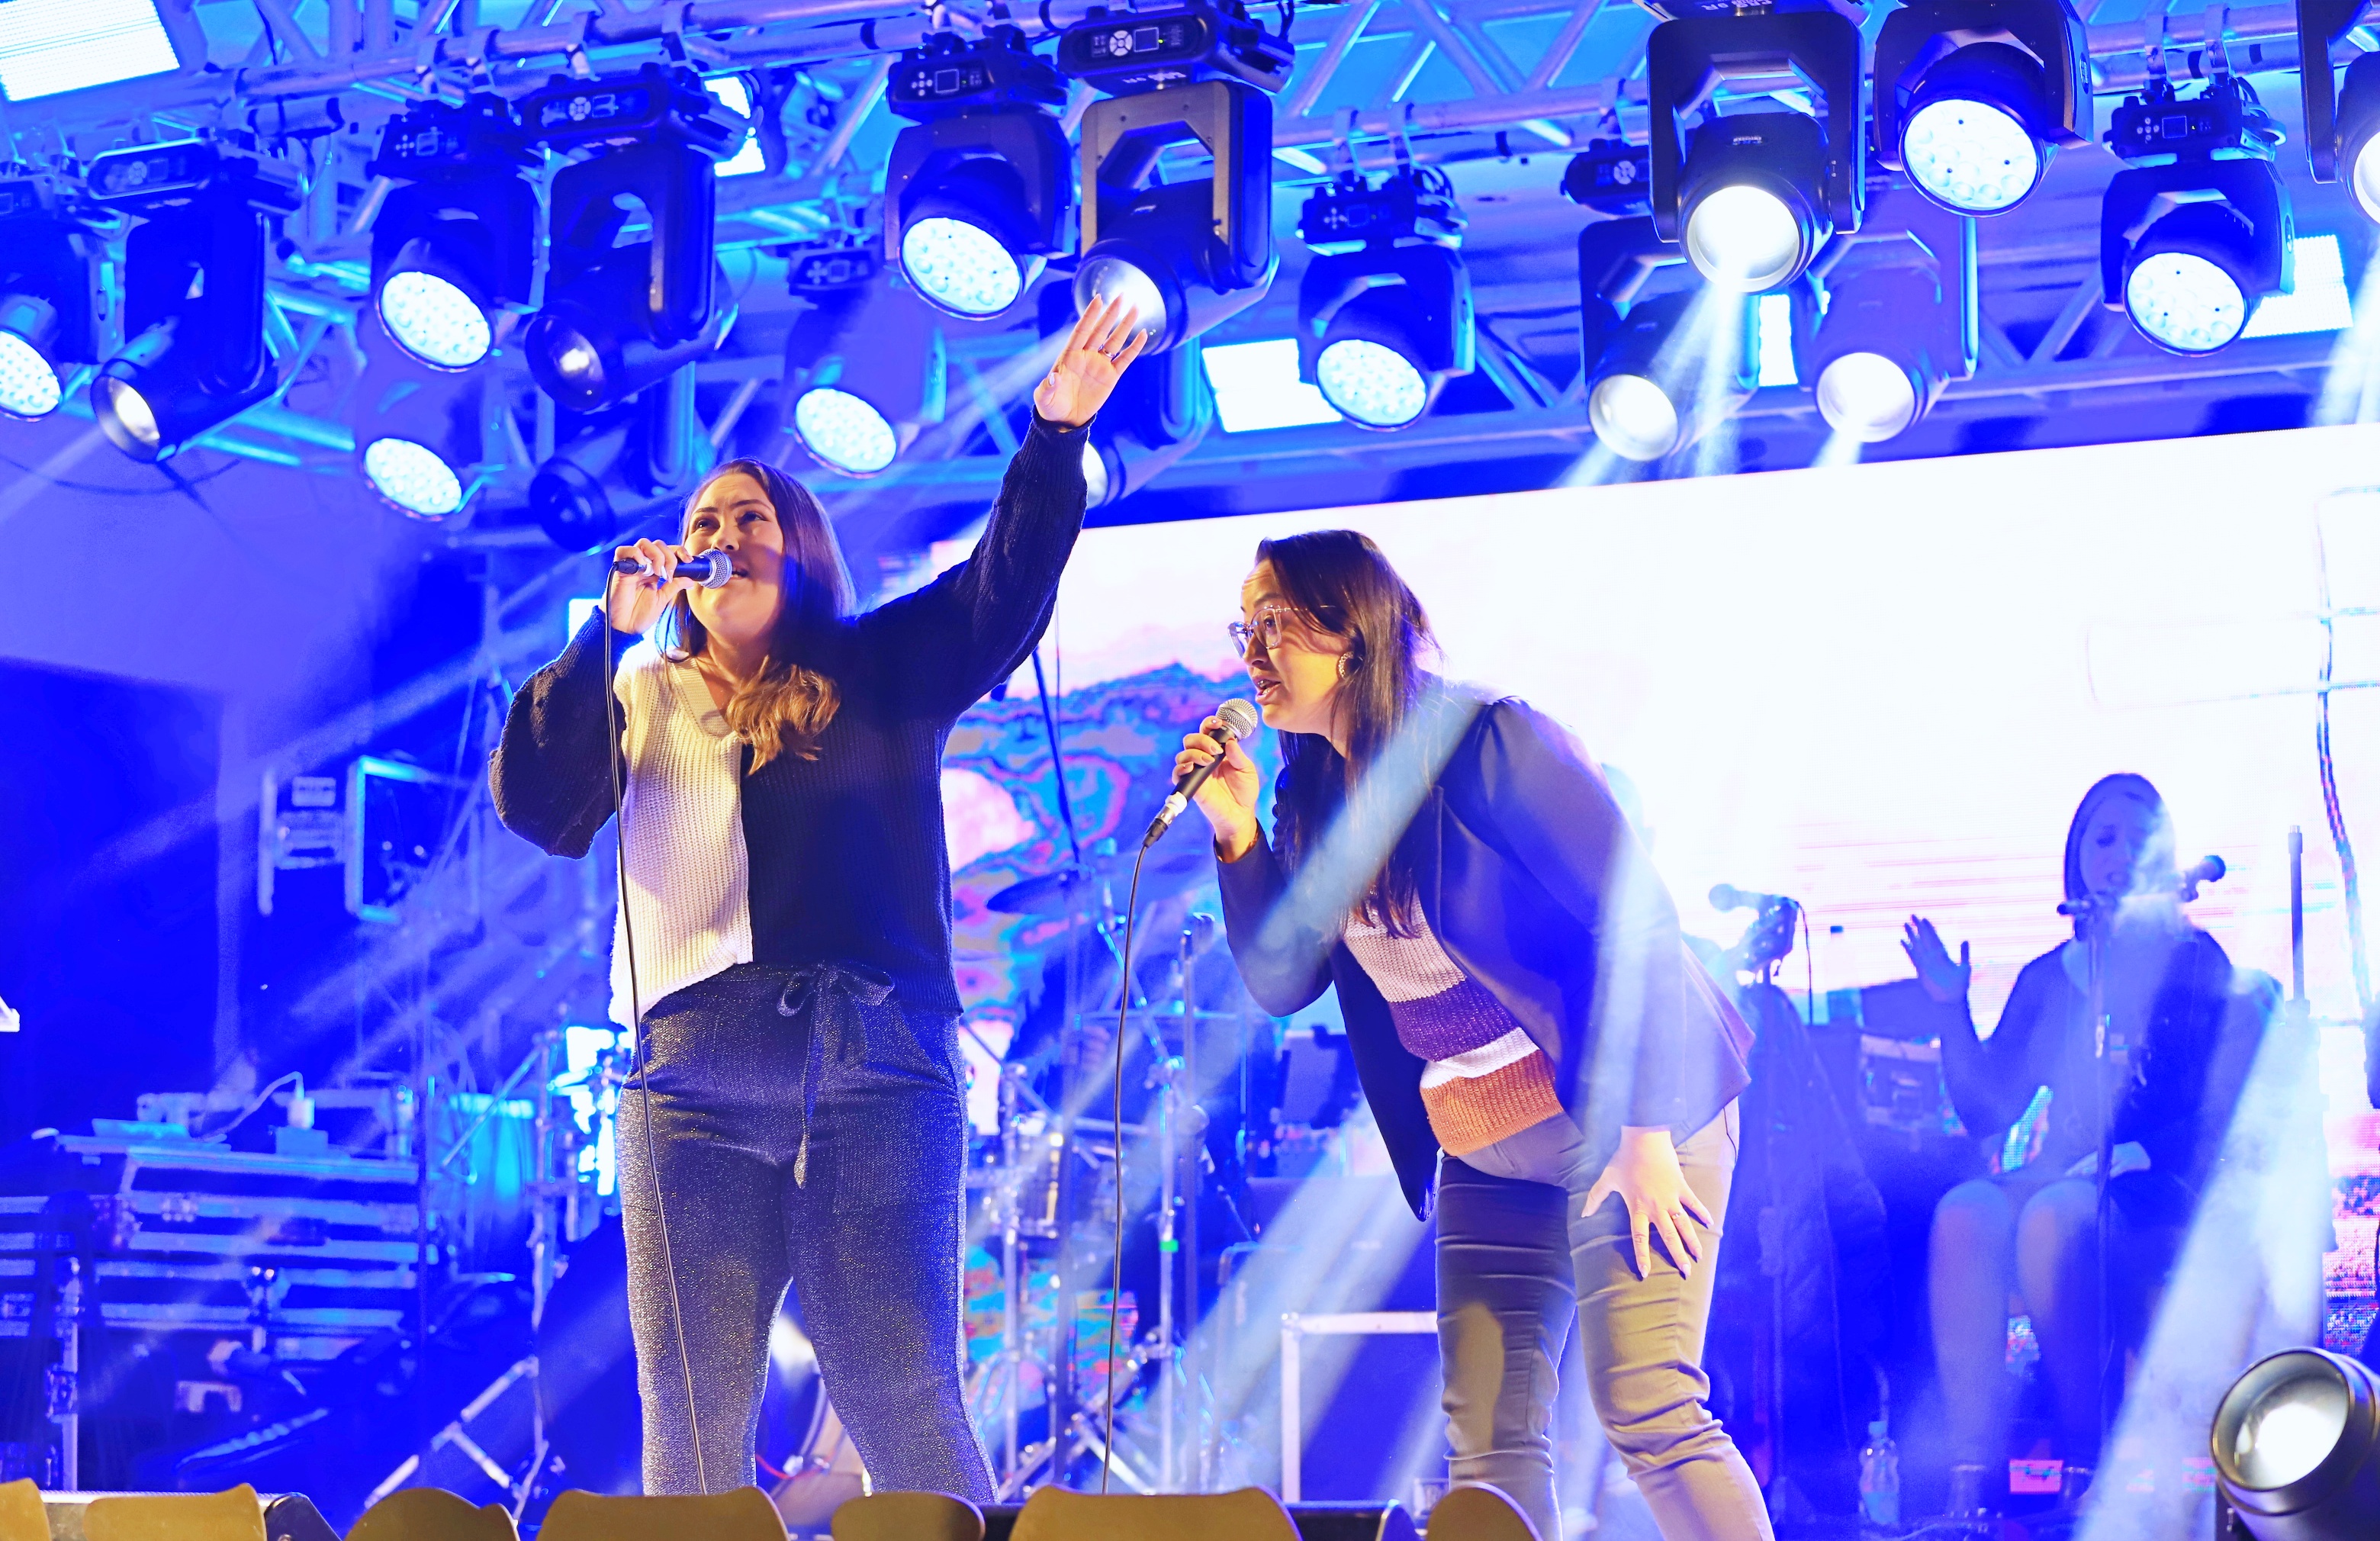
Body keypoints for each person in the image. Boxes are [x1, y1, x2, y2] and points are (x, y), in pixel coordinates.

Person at [488, 298, 1147, 1498]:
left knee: (898, 1390)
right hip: (689, 1080)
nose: (722, 536)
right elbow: (541, 804)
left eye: (752, 519)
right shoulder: (634, 693)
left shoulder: (878, 666)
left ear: (801, 553)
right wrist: (606, 633)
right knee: (690, 1414)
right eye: (704, 522)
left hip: (874, 1059)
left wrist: (1053, 438)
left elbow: (998, 590)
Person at [1172, 530, 1767, 1541]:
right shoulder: (1310, 793)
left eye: (1273, 623)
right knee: (1487, 1446)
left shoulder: (1488, 744)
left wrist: (1645, 1132)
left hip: (1626, 1110)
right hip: (1483, 1141)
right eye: (1245, 630)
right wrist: (1237, 835)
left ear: (1352, 630)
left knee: (1649, 1408)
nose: (1253, 652)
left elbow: (1635, 920)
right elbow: (1287, 979)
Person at [1902, 774, 2240, 1523]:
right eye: (2103, 838)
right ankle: (1972, 1478)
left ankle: (2091, 1461)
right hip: (2066, 1175)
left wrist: (2133, 1157)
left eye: (2136, 838)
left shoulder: (2195, 961)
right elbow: (1989, 1107)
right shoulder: (2049, 975)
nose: (2118, 853)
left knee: (2054, 1219)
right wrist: (1950, 1007)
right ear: (2078, 857)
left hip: (2159, 1180)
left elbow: (2221, 1101)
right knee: (1964, 1213)